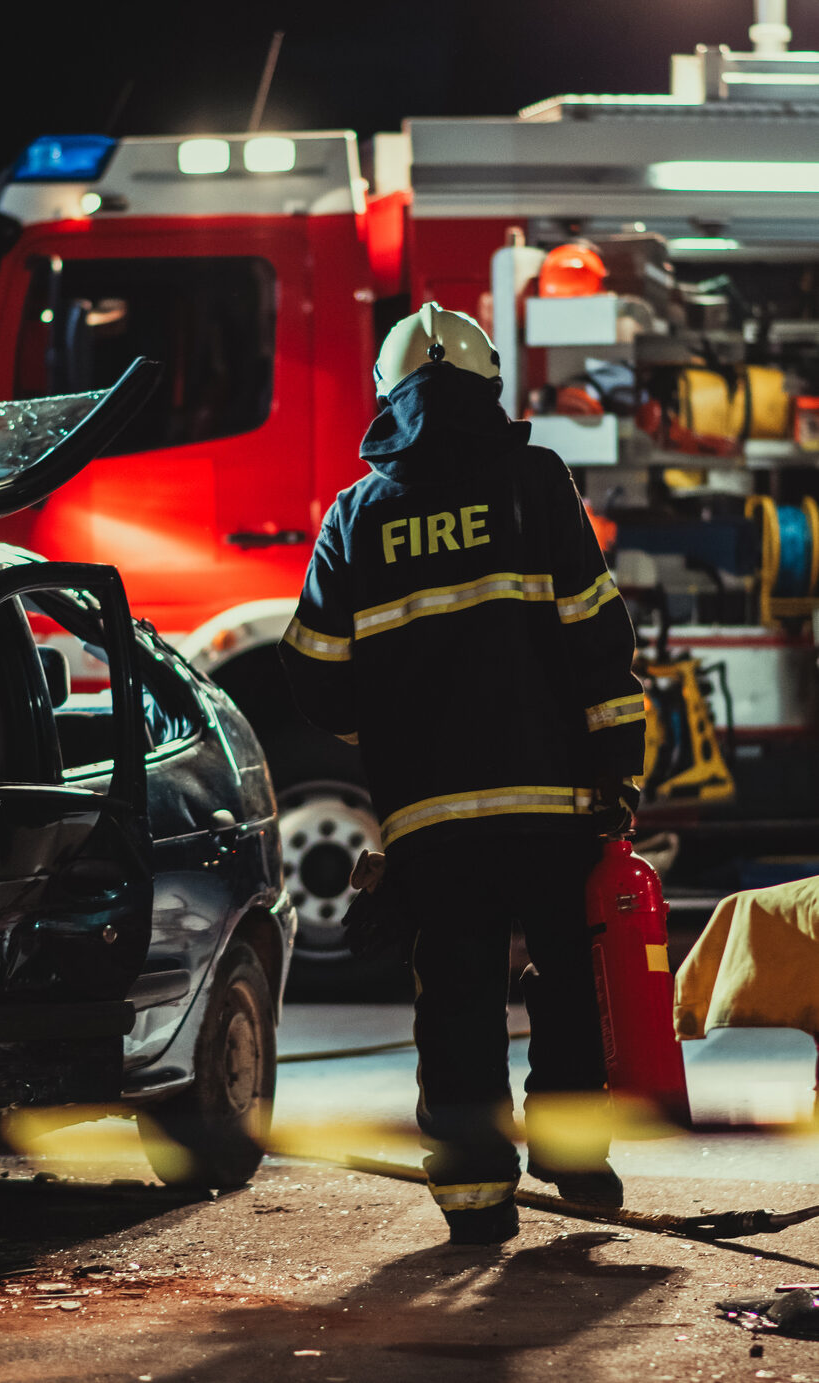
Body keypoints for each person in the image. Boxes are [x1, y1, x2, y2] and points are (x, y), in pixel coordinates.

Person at [278, 302, 646, 1245]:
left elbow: (315, 678)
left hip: (431, 817)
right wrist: (618, 766)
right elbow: (598, 636)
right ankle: (572, 1156)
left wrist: (392, 715)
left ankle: (477, 1195)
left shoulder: (357, 515)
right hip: (549, 802)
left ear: (388, 399)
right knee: (566, 981)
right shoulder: (535, 482)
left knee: (458, 990)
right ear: (488, 388)